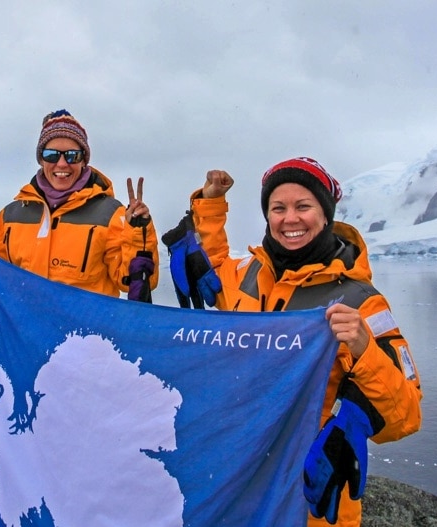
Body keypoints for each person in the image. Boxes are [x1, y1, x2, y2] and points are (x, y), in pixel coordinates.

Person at [180, 156, 422, 526]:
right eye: (278, 208)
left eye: (303, 206)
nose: (289, 219)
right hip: (240, 479)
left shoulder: (362, 302)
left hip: (308, 496)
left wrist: (363, 349)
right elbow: (212, 265)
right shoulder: (248, 275)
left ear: (325, 215)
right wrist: (211, 202)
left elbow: (406, 415)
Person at [0, 109, 158, 299]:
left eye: (72, 155)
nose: (62, 164)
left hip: (86, 328)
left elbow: (132, 282)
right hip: (27, 327)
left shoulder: (110, 214)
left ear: (84, 160)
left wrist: (138, 231)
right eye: (51, 154)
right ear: (41, 159)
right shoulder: (11, 216)